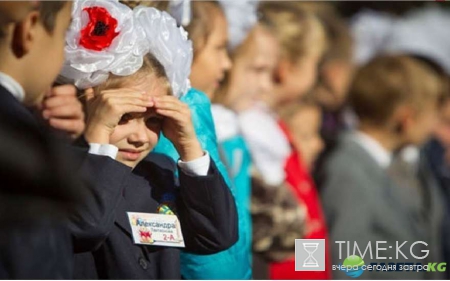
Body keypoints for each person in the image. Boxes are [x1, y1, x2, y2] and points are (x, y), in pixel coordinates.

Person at [58, 2, 238, 279]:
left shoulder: (157, 173)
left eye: (154, 120)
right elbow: (84, 226)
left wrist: (190, 149)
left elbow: (217, 235)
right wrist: (97, 138)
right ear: (88, 105)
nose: (140, 137)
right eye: (123, 116)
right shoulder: (58, 172)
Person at [320, 55, 445, 279]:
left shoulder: (389, 165)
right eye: (431, 114)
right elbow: (346, 266)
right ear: (406, 117)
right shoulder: (348, 171)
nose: (434, 125)